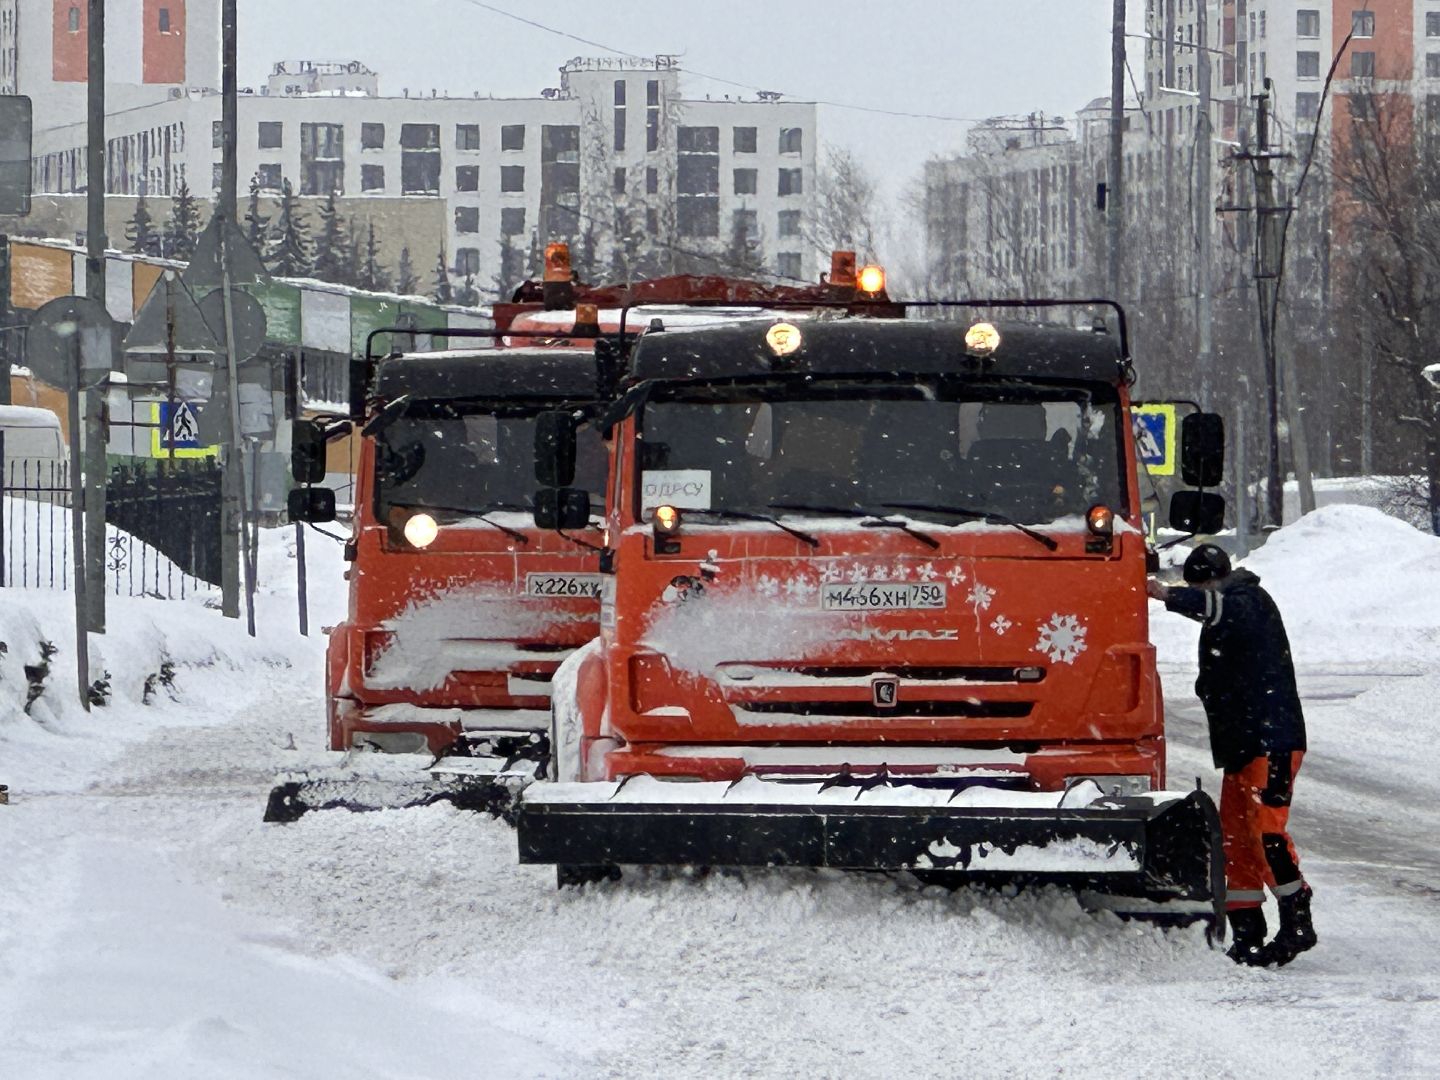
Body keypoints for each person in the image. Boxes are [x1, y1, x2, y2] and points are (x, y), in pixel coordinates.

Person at [1148, 544, 1316, 967]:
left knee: (1266, 832)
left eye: (1200, 585)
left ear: (1214, 579)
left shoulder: (1248, 601)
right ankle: (1247, 931)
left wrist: (1165, 593)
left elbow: (1216, 608)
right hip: (1241, 746)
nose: (1199, 593)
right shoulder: (1226, 608)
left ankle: (1298, 922)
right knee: (1236, 838)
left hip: (1271, 741)